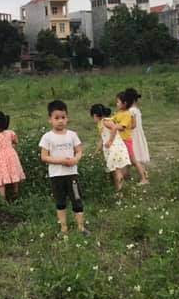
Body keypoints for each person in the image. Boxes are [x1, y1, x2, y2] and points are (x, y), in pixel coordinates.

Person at [38, 100, 86, 235]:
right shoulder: (47, 137)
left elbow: (79, 151)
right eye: (56, 118)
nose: (60, 121)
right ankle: (63, 228)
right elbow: (44, 157)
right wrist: (61, 161)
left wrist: (75, 159)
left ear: (67, 118)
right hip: (56, 176)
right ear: (50, 119)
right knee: (60, 202)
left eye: (63, 117)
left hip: (72, 175)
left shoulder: (72, 135)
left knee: (77, 200)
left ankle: (81, 227)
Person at [0, 111, 26, 202]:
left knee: (1, 177)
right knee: (14, 173)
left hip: (1, 158)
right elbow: (16, 141)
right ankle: (15, 193)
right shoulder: (10, 133)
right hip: (12, 156)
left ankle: (2, 198)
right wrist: (10, 146)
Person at [90, 103, 130, 192]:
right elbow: (102, 138)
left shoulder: (105, 121)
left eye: (93, 117)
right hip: (111, 149)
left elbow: (114, 128)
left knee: (117, 170)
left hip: (115, 148)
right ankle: (118, 188)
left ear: (95, 115)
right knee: (115, 170)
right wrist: (97, 151)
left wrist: (110, 141)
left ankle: (120, 191)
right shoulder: (101, 123)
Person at [112, 91, 149, 185]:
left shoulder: (129, 112)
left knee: (133, 159)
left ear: (125, 103)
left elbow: (131, 125)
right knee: (129, 159)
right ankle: (127, 175)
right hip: (128, 137)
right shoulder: (127, 111)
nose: (116, 104)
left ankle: (144, 178)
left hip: (129, 137)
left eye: (118, 102)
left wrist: (119, 126)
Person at [124, 87, 151, 172]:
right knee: (137, 156)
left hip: (133, 135)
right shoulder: (137, 110)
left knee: (133, 156)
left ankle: (143, 176)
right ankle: (142, 174)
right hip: (138, 135)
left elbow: (132, 125)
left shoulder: (131, 111)